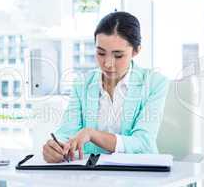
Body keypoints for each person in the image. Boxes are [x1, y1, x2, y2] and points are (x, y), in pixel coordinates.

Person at [42, 11, 169, 163]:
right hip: (91, 176)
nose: (108, 63)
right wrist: (57, 147)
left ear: (136, 51)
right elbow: (66, 132)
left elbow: (143, 143)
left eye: (118, 55)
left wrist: (93, 134)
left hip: (138, 176)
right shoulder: (82, 84)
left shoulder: (155, 83)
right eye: (101, 53)